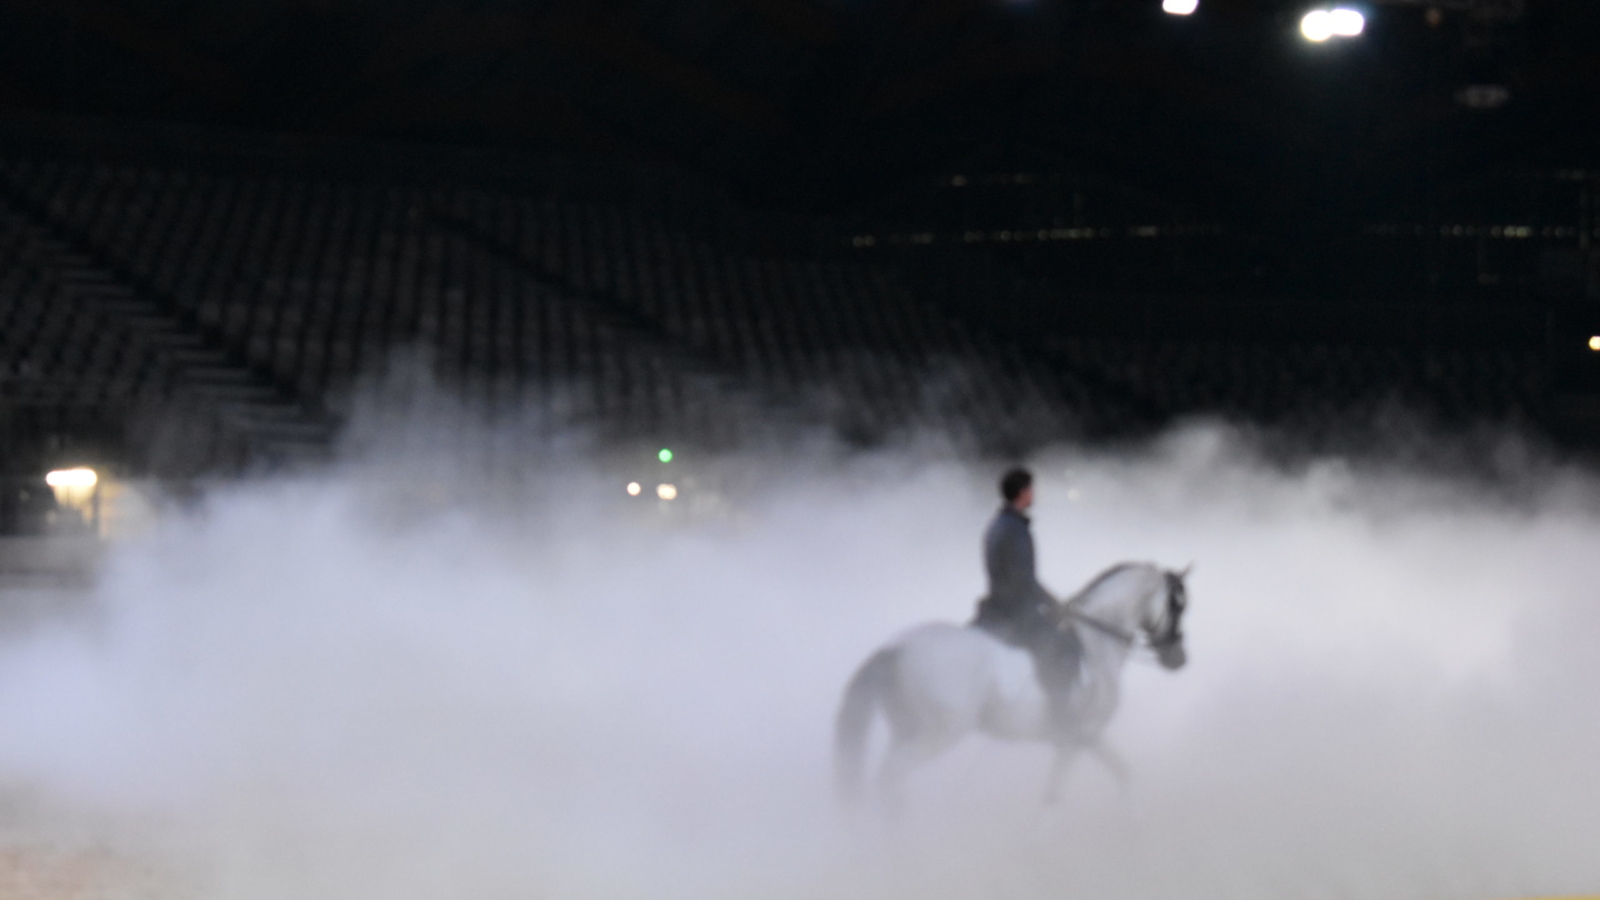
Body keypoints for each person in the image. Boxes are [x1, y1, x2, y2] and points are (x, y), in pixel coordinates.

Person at [972, 467, 1082, 725]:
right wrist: (1056, 606)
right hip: (1015, 610)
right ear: (1022, 492)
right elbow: (1024, 580)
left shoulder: (997, 524)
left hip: (997, 605)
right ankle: (1060, 719)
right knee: (1066, 644)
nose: (1034, 494)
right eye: (1031, 489)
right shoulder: (1014, 528)